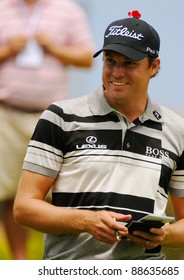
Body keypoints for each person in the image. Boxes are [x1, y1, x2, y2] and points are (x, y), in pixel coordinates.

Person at [13, 10, 184, 260]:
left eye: (129, 63)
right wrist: (87, 221)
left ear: (154, 66)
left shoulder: (180, 131)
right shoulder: (60, 117)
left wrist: (166, 235)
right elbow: (24, 208)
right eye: (110, 61)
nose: (117, 73)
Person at [0, 0, 95, 260]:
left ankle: (58, 258)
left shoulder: (69, 10)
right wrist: (8, 49)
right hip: (7, 113)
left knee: (58, 190)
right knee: (10, 192)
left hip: (52, 116)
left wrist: (54, 48)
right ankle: (20, 263)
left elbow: (87, 58)